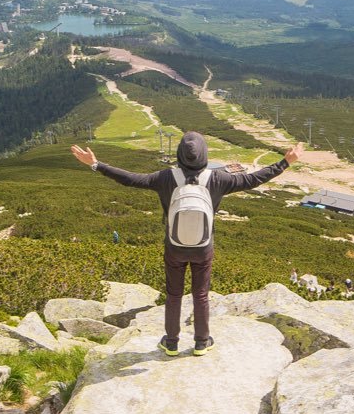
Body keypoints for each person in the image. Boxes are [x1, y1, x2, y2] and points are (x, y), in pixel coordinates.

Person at [71, 132, 303, 357]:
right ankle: (201, 342)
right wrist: (285, 162)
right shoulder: (219, 178)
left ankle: (171, 343)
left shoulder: (164, 177)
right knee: (200, 294)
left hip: (174, 246)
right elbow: (254, 179)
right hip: (203, 247)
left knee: (174, 295)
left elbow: (129, 179)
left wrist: (95, 164)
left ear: (180, 154)